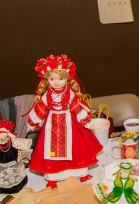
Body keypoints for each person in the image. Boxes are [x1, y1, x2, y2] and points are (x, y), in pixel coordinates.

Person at [26, 54, 103, 188]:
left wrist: (85, 118)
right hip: (52, 125)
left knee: (76, 148)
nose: (56, 82)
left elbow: (77, 106)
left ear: (67, 78)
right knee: (51, 151)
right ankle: (53, 176)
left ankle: (80, 172)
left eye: (60, 79)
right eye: (52, 79)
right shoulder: (46, 95)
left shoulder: (70, 93)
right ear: (46, 79)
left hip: (69, 124)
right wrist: (33, 121)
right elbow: (41, 109)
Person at [0, 119, 31, 194]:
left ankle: (19, 183)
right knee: (2, 173)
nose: (2, 134)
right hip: (0, 159)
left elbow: (18, 141)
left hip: (13, 157)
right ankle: (5, 188)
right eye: (0, 132)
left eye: (4, 131)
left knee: (17, 170)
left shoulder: (10, 140)